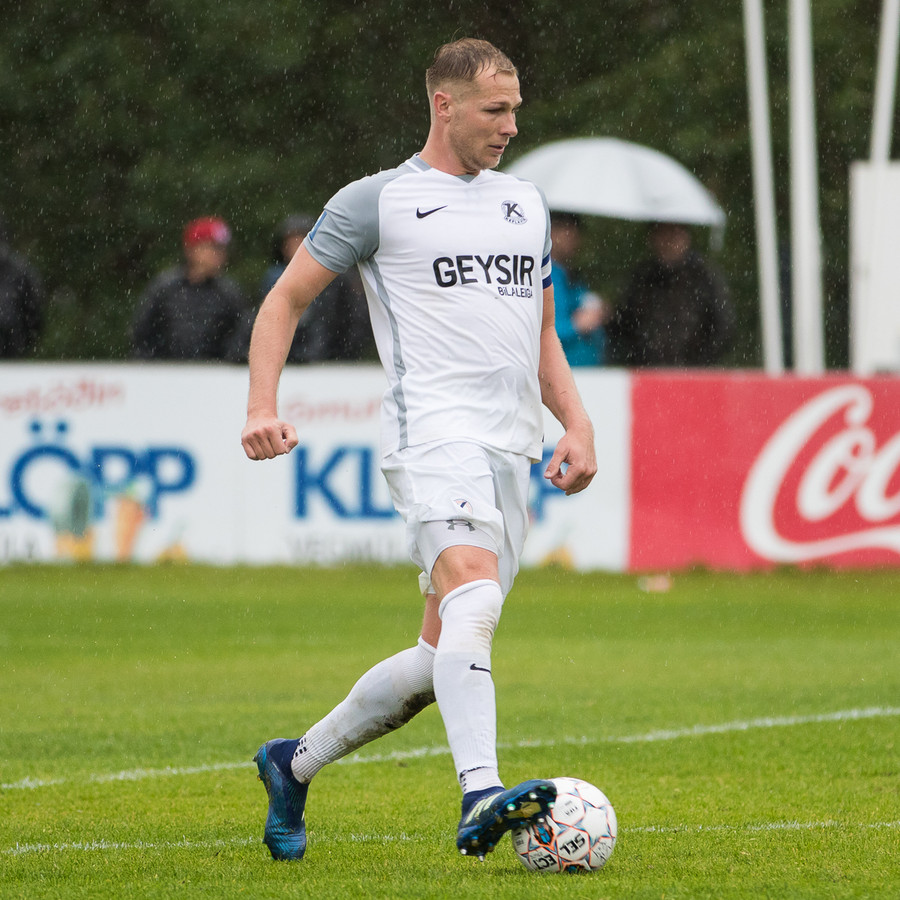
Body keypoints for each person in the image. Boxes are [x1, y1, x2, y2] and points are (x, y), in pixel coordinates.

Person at [240, 38, 597, 863]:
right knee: (476, 596)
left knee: (440, 654)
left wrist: (577, 425)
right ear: (444, 105)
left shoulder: (527, 204)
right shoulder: (377, 201)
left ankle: (293, 764)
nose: (510, 125)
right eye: (494, 110)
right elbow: (284, 301)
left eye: (515, 109)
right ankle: (481, 793)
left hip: (509, 450)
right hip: (430, 436)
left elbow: (542, 333)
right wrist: (262, 405)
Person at [606, 221, 734, 366]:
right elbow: (625, 324)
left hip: (692, 372)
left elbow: (724, 326)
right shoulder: (642, 277)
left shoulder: (704, 276)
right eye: (662, 234)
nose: (668, 242)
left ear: (686, 237)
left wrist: (698, 362)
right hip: (648, 371)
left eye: (673, 234)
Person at [260, 214, 375, 363]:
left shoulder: (338, 279)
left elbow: (355, 322)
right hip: (289, 360)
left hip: (333, 362)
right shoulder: (274, 279)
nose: (295, 248)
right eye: (290, 243)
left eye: (300, 241)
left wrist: (338, 355)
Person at [132, 216, 247, 361]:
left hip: (213, 373)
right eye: (214, 248)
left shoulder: (229, 293)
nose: (220, 255)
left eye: (222, 249)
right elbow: (142, 335)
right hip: (167, 371)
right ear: (192, 249)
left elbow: (239, 340)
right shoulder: (165, 289)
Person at [549, 212, 606, 366]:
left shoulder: (573, 276)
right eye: (567, 230)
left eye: (575, 232)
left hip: (588, 372)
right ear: (551, 232)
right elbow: (542, 333)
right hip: (563, 372)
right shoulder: (544, 276)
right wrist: (577, 326)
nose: (573, 238)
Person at [0, 212, 44, 358]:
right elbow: (34, 315)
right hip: (13, 347)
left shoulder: (20, 271)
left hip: (12, 347)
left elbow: (34, 314)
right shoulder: (22, 270)